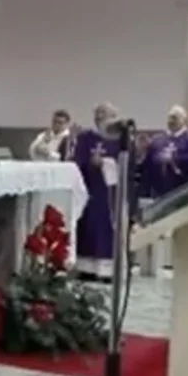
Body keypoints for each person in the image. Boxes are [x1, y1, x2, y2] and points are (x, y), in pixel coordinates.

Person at [72, 103, 122, 280]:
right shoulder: (86, 138)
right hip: (90, 188)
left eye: (104, 113)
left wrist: (105, 163)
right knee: (87, 226)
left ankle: (106, 270)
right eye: (98, 113)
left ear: (113, 116)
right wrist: (88, 162)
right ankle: (86, 268)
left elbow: (125, 165)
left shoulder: (119, 138)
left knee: (106, 227)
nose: (100, 117)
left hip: (109, 192)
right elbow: (77, 162)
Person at [139, 105, 188, 198]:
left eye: (174, 118)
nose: (171, 121)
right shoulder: (157, 140)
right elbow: (148, 164)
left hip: (182, 190)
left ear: (184, 120)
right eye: (169, 117)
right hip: (158, 190)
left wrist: (174, 159)